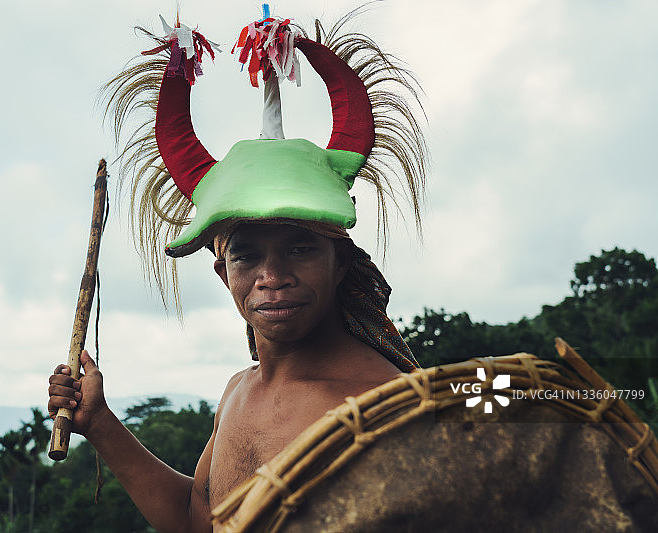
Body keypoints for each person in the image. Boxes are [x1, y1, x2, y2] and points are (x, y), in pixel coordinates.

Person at [48, 8, 427, 532]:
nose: (272, 276)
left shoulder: (381, 408)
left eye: (300, 249)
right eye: (247, 254)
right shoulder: (240, 390)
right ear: (223, 271)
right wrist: (101, 424)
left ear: (341, 264)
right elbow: (195, 518)